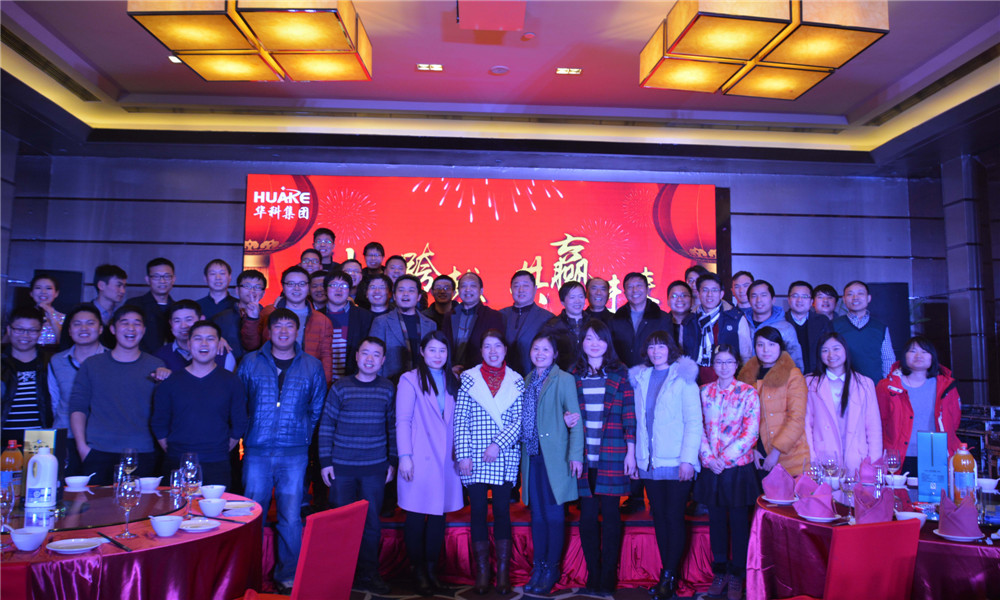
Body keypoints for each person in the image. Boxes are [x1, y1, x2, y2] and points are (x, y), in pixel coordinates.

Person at [238, 308, 326, 594]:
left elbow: (316, 408)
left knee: (290, 516)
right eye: (278, 326)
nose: (284, 331)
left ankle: (288, 576)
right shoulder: (250, 362)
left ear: (297, 332)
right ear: (269, 331)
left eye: (290, 326)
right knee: (253, 516)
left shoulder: (312, 366)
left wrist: (302, 435)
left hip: (294, 453)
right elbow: (240, 403)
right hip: (257, 451)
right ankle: (248, 573)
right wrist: (248, 434)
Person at [319, 336, 397, 595]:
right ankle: (340, 573)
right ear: (356, 356)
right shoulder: (340, 387)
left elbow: (393, 427)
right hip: (342, 467)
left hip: (374, 467)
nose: (370, 359)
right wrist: (325, 461)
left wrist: (392, 461)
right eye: (365, 353)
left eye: (376, 354)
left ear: (383, 360)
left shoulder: (387, 388)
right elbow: (327, 425)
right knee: (340, 521)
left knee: (371, 523)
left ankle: (368, 573)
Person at [628, 331, 701, 600]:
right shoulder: (641, 378)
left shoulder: (683, 378)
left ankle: (669, 576)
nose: (656, 351)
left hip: (677, 460)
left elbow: (694, 422)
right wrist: (637, 458)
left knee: (673, 516)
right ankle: (666, 574)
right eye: (651, 346)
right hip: (650, 461)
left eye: (661, 346)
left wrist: (688, 459)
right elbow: (639, 422)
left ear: (670, 349)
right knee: (658, 517)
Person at [453, 329, 524, 595]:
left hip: (503, 454)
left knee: (503, 511)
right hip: (474, 454)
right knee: (478, 511)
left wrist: (498, 444)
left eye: (497, 346)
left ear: (505, 349)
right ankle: (482, 573)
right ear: (481, 350)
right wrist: (463, 454)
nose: (493, 351)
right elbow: (461, 419)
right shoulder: (469, 378)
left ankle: (503, 573)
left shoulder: (517, 380)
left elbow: (519, 420)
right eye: (487, 346)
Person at [396, 332, 463, 596]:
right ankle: (418, 571)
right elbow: (403, 420)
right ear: (422, 351)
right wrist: (405, 456)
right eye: (432, 350)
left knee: (438, 516)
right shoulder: (409, 379)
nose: (437, 355)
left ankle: (432, 571)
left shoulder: (453, 380)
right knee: (415, 514)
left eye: (442, 351)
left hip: (446, 457)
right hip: (418, 456)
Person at [69, 305, 168, 484]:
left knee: (137, 501)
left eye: (137, 323)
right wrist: (82, 447)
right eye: (125, 323)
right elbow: (78, 407)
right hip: (97, 451)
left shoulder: (156, 365)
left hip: (142, 452)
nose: (131, 328)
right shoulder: (92, 364)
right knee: (96, 502)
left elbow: (165, 411)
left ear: (144, 330)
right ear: (113, 329)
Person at [572, 319, 636, 595]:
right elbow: (567, 411)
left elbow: (629, 415)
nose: (594, 344)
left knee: (610, 515)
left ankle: (608, 575)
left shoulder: (621, 373)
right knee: (587, 516)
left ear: (607, 342)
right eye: (589, 338)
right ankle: (593, 574)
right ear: (582, 343)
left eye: (599, 338)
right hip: (584, 456)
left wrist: (631, 452)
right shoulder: (573, 374)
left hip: (612, 453)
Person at [694, 345, 760, 600]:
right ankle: (719, 572)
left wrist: (725, 458)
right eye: (719, 362)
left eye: (728, 362)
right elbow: (697, 427)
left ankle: (737, 576)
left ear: (736, 365)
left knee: (739, 523)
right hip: (712, 467)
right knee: (717, 522)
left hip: (737, 468)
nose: (723, 366)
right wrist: (709, 458)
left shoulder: (747, 392)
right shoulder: (703, 392)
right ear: (713, 364)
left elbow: (751, 431)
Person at [520, 332, 583, 595]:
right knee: (537, 515)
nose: (540, 353)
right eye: (536, 348)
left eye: (546, 349)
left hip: (556, 457)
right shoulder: (526, 380)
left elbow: (575, 419)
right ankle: (539, 566)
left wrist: (576, 455)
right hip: (532, 456)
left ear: (555, 354)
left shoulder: (564, 379)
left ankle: (552, 568)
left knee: (555, 515)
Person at [152, 320, 247, 487]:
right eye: (198, 338)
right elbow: (159, 424)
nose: (204, 344)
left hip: (217, 463)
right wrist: (175, 451)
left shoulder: (232, 381)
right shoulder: (171, 382)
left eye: (210, 339)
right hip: (176, 461)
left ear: (218, 344)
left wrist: (219, 450)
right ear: (189, 344)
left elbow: (239, 424)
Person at [876, 336, 961, 473]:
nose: (918, 355)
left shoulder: (946, 386)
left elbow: (954, 421)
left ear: (932, 357)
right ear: (904, 356)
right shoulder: (887, 386)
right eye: (913, 351)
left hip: (936, 455)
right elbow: (879, 422)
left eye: (924, 351)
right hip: (898, 456)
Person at [804, 332, 882, 476]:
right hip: (824, 459)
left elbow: (873, 427)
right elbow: (806, 424)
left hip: (858, 460)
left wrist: (874, 464)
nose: (831, 354)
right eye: (825, 350)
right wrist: (811, 459)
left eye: (836, 349)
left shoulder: (865, 384)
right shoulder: (810, 383)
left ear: (846, 350)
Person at [737, 327, 809, 476]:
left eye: (771, 344)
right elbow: (744, 419)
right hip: (757, 456)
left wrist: (776, 452)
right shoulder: (746, 378)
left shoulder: (793, 375)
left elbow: (796, 418)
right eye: (760, 344)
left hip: (787, 454)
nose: (766, 350)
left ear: (780, 347)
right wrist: (752, 448)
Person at [242, 265, 333, 383]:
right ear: (283, 287)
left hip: (306, 381)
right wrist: (252, 319)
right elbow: (251, 346)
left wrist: (324, 386)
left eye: (302, 284)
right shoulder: (268, 313)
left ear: (308, 287)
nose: (296, 288)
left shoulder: (322, 320)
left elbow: (326, 358)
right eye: (291, 284)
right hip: (269, 378)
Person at [47, 304, 107, 474]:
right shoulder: (57, 361)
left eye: (90, 323)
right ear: (69, 330)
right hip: (65, 437)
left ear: (100, 329)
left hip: (101, 438)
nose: (84, 328)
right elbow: (54, 401)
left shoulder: (112, 359)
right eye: (77, 324)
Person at [370, 275, 436, 382]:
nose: (405, 294)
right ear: (394, 296)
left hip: (423, 383)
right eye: (401, 290)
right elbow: (373, 356)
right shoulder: (381, 322)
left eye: (411, 290)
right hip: (390, 383)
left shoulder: (430, 324)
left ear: (419, 297)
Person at [832, 281, 894, 384]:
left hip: (875, 386)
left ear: (869, 298)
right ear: (844, 299)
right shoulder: (834, 325)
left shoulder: (880, 327)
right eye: (850, 294)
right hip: (843, 386)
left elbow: (888, 359)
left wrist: (886, 384)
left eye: (860, 293)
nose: (855, 297)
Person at [693, 273, 751, 385]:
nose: (709, 294)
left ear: (721, 294)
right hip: (695, 384)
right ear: (698, 293)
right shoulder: (690, 319)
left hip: (729, 385)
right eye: (705, 290)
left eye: (714, 290)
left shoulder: (736, 318)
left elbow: (746, 356)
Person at [441, 272, 504, 375]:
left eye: (473, 286)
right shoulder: (449, 316)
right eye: (463, 286)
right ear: (458, 290)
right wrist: (450, 368)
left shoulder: (493, 316)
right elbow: (443, 346)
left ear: (481, 290)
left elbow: (497, 351)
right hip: (452, 374)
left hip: (481, 375)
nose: (468, 289)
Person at [2, 307, 52, 431]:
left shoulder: (49, 363)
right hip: (4, 437)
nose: (25, 335)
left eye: (32, 330)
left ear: (40, 332)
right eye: (19, 329)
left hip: (41, 438)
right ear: (9, 330)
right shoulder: (2, 362)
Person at [609, 272, 672, 368]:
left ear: (647, 289)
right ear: (625, 292)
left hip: (652, 372)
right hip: (622, 373)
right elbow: (610, 350)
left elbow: (669, 349)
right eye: (630, 287)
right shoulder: (616, 319)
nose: (635, 290)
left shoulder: (662, 318)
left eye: (639, 286)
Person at [154, 300, 235, 372]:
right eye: (177, 321)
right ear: (171, 323)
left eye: (189, 319)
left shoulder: (222, 353)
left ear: (201, 319)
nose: (183, 326)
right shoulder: (160, 355)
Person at [499, 270, 554, 376]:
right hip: (503, 378)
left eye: (525, 286)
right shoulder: (500, 315)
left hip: (534, 377)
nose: (521, 290)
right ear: (511, 289)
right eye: (516, 286)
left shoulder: (547, 318)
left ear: (535, 289)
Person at [323, 270, 374, 380]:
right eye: (334, 285)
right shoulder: (315, 316)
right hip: (321, 380)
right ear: (326, 289)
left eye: (344, 286)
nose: (339, 289)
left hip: (352, 381)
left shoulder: (364, 317)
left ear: (350, 291)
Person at [746, 280, 804, 371]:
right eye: (754, 296)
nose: (758, 300)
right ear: (749, 300)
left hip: (777, 378)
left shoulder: (785, 328)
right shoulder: (742, 323)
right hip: (745, 377)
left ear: (773, 299)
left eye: (763, 295)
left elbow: (796, 360)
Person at [213, 269, 265, 363]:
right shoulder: (221, 318)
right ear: (237, 290)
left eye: (257, 287)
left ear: (263, 293)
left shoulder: (268, 318)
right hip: (229, 368)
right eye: (247, 286)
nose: (252, 291)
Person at [129, 257, 176, 353]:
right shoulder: (135, 305)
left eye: (167, 276)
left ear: (173, 279)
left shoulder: (177, 308)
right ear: (147, 280)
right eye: (156, 277)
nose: (162, 281)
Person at [785, 281, 832, 375]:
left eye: (805, 296)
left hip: (817, 376)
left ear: (811, 301)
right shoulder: (781, 321)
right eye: (795, 296)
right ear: (789, 300)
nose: (799, 300)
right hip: (788, 376)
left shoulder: (822, 321)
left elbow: (829, 348)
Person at [540, 281, 588, 370]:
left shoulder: (593, 324)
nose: (577, 301)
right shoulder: (552, 326)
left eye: (581, 296)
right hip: (561, 374)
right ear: (562, 302)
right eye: (572, 297)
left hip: (589, 374)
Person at [665, 280, 698, 358]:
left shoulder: (699, 324)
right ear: (668, 301)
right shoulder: (661, 324)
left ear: (692, 300)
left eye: (684, 295)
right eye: (674, 296)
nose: (679, 299)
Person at [29, 274, 64, 347]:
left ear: (56, 293)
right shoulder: (21, 316)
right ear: (31, 293)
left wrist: (52, 317)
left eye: (48, 288)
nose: (43, 292)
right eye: (38, 288)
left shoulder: (64, 318)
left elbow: (65, 343)